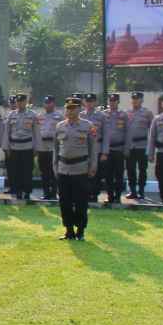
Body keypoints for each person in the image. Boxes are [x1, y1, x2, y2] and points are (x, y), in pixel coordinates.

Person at [54, 96, 100, 241]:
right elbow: (56, 149)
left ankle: (80, 231)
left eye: (73, 108)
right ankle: (69, 231)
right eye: (68, 108)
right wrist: (55, 166)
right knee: (64, 202)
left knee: (81, 202)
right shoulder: (60, 126)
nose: (70, 111)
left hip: (80, 169)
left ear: (80, 109)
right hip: (63, 169)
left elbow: (93, 148)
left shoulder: (88, 126)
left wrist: (93, 166)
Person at [3, 93, 37, 202]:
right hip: (14, 147)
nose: (19, 103)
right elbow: (6, 133)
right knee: (16, 171)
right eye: (18, 102)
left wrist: (36, 148)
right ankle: (18, 191)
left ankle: (27, 192)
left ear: (26, 102)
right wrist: (6, 147)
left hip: (27, 147)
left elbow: (36, 133)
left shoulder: (32, 115)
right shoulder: (11, 115)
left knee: (27, 171)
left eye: (22, 101)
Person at [98, 93, 127, 206]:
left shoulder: (123, 115)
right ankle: (110, 196)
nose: (112, 103)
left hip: (119, 149)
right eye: (110, 101)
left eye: (114, 101)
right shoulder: (103, 115)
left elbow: (128, 132)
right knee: (108, 175)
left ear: (118, 102)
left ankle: (118, 196)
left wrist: (127, 148)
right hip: (107, 149)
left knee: (119, 175)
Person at [124, 91, 153, 201]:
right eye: (133, 99)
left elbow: (152, 130)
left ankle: (141, 190)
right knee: (130, 169)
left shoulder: (147, 113)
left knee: (142, 169)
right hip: (130, 145)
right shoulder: (127, 113)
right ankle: (133, 191)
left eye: (138, 99)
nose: (135, 101)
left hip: (142, 145)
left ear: (142, 100)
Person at [36, 95, 61, 201]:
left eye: (49, 103)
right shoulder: (40, 116)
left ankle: (54, 193)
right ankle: (46, 193)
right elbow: (36, 132)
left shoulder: (59, 117)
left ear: (53, 103)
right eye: (46, 103)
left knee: (53, 171)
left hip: (53, 146)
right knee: (44, 171)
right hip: (42, 146)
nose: (47, 105)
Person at [81, 93, 105, 203]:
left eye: (91, 101)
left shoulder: (101, 116)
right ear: (84, 102)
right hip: (83, 148)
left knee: (96, 172)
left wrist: (105, 152)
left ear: (95, 102)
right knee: (83, 172)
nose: (89, 103)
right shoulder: (80, 115)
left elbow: (106, 134)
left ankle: (94, 195)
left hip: (97, 147)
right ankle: (85, 194)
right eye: (87, 101)